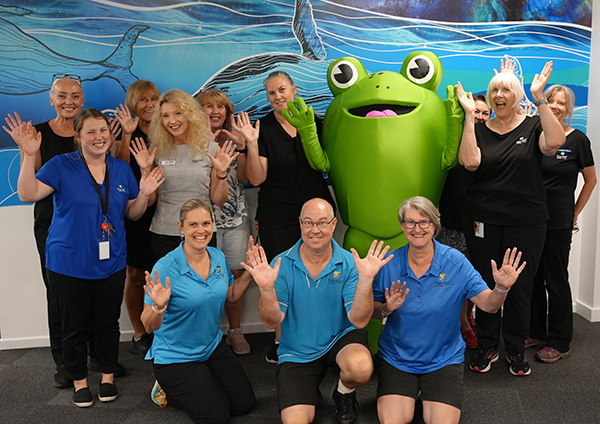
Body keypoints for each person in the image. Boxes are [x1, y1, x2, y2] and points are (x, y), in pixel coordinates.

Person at [14, 108, 164, 407]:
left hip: (111, 261)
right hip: (68, 262)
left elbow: (132, 213)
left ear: (111, 136)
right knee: (74, 326)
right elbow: (27, 194)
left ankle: (107, 377)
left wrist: (145, 193)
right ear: (78, 137)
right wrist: (29, 154)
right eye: (91, 132)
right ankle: (79, 381)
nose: (99, 137)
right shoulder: (60, 165)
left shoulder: (121, 169)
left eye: (104, 131)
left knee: (107, 323)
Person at [373, 196, 525, 424]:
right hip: (398, 359)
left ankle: (425, 391)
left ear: (434, 225)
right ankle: (412, 392)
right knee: (394, 421)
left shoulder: (455, 261)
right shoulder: (390, 263)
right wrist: (386, 308)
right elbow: (373, 311)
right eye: (410, 222)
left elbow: (489, 305)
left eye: (424, 222)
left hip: (443, 360)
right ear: (402, 225)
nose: (417, 229)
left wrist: (501, 288)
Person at [456, 61, 565, 376]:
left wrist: (540, 97)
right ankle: (488, 345)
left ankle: (515, 349)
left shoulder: (533, 126)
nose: (498, 95)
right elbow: (469, 162)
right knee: (486, 282)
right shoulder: (477, 128)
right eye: (494, 90)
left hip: (526, 223)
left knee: (519, 286)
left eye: (505, 90)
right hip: (482, 222)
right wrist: (467, 116)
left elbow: (554, 143)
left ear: (517, 96)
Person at [242, 197, 390, 424]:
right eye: (309, 223)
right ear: (300, 223)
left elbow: (359, 321)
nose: (315, 230)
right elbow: (272, 321)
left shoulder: (350, 262)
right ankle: (309, 393)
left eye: (322, 223)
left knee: (360, 368)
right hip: (298, 349)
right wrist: (266, 289)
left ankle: (344, 392)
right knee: (295, 421)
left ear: (333, 224)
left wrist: (366, 280)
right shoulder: (282, 263)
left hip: (339, 338)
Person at [235, 71, 336, 363]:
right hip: (276, 214)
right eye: (271, 93)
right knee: (280, 280)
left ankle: (320, 337)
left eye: (282, 90)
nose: (277, 97)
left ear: (294, 89)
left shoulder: (314, 122)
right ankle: (283, 340)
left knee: (319, 276)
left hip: (316, 214)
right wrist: (251, 144)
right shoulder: (262, 127)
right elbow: (256, 178)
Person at [142, 199, 255, 424]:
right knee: (217, 417)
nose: (201, 230)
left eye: (206, 223)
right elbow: (148, 325)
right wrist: (159, 306)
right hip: (176, 358)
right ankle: (167, 391)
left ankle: (201, 383)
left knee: (244, 404)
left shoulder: (218, 257)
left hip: (211, 347)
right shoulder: (165, 267)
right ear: (181, 228)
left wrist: (251, 272)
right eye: (193, 224)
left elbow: (231, 295)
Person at [3, 74, 83, 388]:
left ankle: (94, 356)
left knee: (90, 289)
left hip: (87, 225)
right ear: (51, 99)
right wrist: (26, 149)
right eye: (62, 95)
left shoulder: (89, 131)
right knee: (58, 293)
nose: (69, 101)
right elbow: (32, 184)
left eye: (75, 96)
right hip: (51, 227)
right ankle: (63, 361)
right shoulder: (37, 135)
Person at [527, 84, 596, 363]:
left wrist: (575, 213)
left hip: (558, 223)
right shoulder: (535, 134)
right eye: (550, 101)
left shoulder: (578, 140)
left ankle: (559, 340)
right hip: (530, 221)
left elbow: (591, 181)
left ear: (569, 109)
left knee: (555, 280)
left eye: (561, 103)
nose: (555, 106)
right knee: (531, 279)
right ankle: (535, 331)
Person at [132, 88, 238, 260]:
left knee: (201, 285)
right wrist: (145, 169)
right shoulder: (156, 152)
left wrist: (221, 172)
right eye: (165, 116)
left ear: (190, 114)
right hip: (165, 233)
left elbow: (219, 200)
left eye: (177, 113)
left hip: (201, 233)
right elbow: (151, 200)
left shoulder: (211, 149)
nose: (171, 121)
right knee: (168, 287)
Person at [197, 89, 252, 355]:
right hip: (201, 222)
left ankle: (235, 330)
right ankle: (207, 333)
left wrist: (243, 148)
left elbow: (245, 178)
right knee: (202, 279)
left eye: (221, 107)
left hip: (234, 218)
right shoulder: (190, 139)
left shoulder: (235, 139)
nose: (215, 111)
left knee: (235, 275)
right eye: (209, 106)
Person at [437, 93, 492, 349]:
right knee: (452, 277)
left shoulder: (492, 144)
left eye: (485, 113)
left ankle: (468, 319)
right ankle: (463, 323)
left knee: (474, 275)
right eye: (476, 111)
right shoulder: (455, 139)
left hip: (479, 222)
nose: (480, 116)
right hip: (452, 221)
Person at [112, 79, 160, 357]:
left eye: (154, 98)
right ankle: (139, 332)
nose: (150, 104)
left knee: (166, 274)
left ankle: (165, 329)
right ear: (133, 104)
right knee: (135, 275)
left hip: (167, 211)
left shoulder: (168, 128)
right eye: (143, 99)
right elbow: (117, 166)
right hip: (135, 211)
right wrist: (128, 135)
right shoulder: (124, 131)